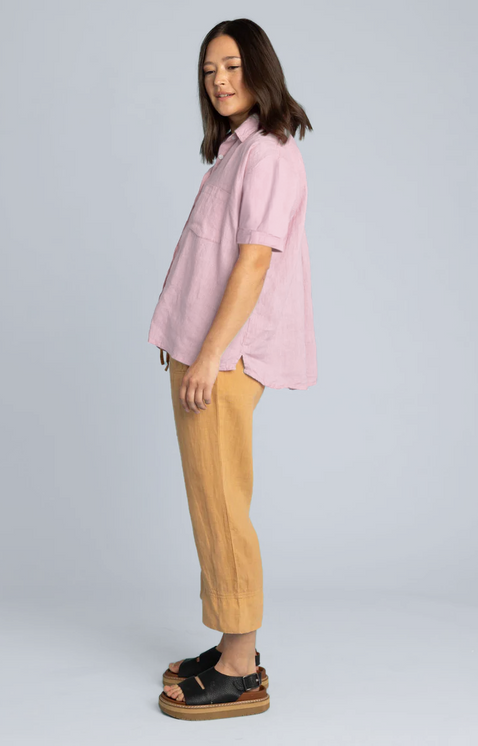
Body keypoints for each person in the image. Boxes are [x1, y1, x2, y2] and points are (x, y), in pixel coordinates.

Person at [148, 18, 317, 720]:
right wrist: (186, 339)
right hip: (201, 351)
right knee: (209, 500)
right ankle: (229, 645)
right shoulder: (234, 152)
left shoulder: (269, 155)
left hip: (220, 359)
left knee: (221, 504)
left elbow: (252, 264)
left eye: (231, 66)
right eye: (208, 70)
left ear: (259, 69)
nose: (218, 81)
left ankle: (241, 668)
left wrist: (210, 354)